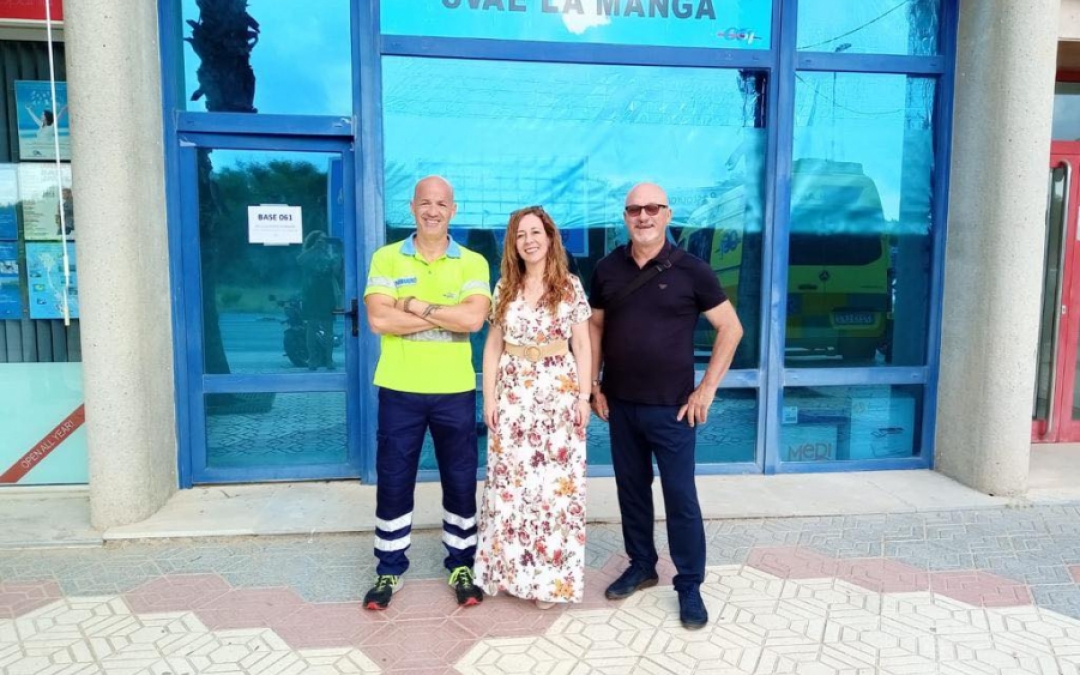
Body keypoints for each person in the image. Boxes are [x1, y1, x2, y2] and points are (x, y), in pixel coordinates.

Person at [589, 183, 743, 630]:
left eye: (652, 208)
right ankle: (642, 565)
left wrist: (706, 389)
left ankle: (689, 584)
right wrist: (594, 385)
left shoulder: (693, 270)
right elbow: (595, 327)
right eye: (635, 209)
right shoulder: (607, 268)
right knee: (631, 492)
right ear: (625, 216)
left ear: (667, 214)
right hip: (620, 405)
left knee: (680, 498)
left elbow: (731, 328)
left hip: (674, 410)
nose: (644, 216)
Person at [363, 176, 491, 610]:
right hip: (399, 388)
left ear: (453, 210)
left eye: (441, 204)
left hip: (454, 390)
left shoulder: (473, 262)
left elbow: (473, 321)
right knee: (394, 480)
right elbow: (379, 320)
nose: (432, 211)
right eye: (425, 203)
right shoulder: (386, 257)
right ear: (412, 207)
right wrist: (445, 315)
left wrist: (412, 304)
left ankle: (461, 565)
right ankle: (389, 568)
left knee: (460, 480)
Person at [474, 206, 592, 609]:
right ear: (513, 243)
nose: (529, 240)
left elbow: (583, 344)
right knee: (510, 487)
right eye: (521, 234)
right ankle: (509, 573)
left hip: (559, 396)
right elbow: (492, 347)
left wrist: (584, 398)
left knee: (553, 492)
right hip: (513, 397)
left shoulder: (570, 286)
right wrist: (489, 398)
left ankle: (549, 583)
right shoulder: (505, 286)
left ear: (550, 237)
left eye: (535, 232)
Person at [297, 230, 340, 371]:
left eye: (324, 240)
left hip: (326, 294)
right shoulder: (308, 254)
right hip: (311, 294)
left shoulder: (329, 255)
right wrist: (313, 248)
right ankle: (312, 359)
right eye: (319, 240)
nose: (322, 243)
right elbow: (300, 261)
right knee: (312, 327)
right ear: (313, 241)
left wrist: (337, 253)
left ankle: (329, 359)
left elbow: (336, 271)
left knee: (328, 329)